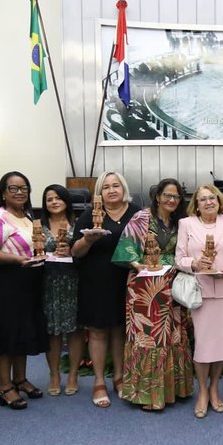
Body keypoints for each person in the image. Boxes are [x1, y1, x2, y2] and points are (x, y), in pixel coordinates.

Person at [112, 178, 193, 411]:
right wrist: (138, 263)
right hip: (144, 289)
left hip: (172, 287)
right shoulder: (142, 218)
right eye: (167, 195)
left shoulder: (180, 222)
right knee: (149, 338)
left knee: (173, 337)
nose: (171, 200)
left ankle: (173, 390)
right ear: (157, 196)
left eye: (176, 197)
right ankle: (149, 395)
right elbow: (126, 247)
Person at [0, 171, 49, 410]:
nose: (20, 193)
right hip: (6, 282)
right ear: (3, 193)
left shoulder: (28, 216)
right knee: (6, 334)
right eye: (13, 188)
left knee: (23, 332)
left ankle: (20, 379)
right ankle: (5, 386)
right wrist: (16, 260)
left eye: (24, 188)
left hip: (28, 283)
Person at [176, 184, 223, 418]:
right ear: (196, 204)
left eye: (213, 198)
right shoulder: (186, 224)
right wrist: (195, 264)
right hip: (201, 292)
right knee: (204, 346)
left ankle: (215, 388)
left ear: (219, 201)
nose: (208, 202)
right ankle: (202, 392)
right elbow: (180, 258)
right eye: (203, 199)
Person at [71, 171, 140, 408]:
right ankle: (99, 381)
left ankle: (119, 377)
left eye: (116, 186)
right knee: (99, 330)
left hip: (128, 279)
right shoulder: (90, 215)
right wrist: (88, 239)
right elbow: (74, 252)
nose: (112, 190)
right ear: (99, 192)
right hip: (96, 280)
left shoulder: (137, 212)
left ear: (124, 188)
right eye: (106, 187)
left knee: (121, 329)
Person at [39, 184, 84, 397]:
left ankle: (73, 374)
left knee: (75, 330)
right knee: (52, 331)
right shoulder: (37, 224)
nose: (54, 202)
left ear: (66, 201)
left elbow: (86, 251)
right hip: (48, 282)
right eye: (49, 199)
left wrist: (73, 251)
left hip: (74, 281)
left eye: (58, 198)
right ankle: (54, 374)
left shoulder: (79, 223)